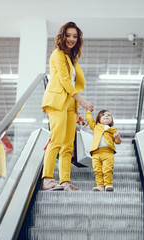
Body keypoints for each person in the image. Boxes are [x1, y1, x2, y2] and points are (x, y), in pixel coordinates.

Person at [41, 22, 94, 191]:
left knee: (68, 145)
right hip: (56, 102)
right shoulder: (57, 54)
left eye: (75, 36)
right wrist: (83, 101)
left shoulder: (72, 59)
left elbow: (73, 82)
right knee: (56, 140)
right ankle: (47, 178)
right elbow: (64, 81)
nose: (71, 39)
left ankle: (65, 181)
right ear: (62, 36)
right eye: (68, 35)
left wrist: (76, 106)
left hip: (70, 104)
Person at [86, 109, 122, 192]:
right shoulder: (96, 127)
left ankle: (108, 184)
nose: (106, 116)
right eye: (103, 115)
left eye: (109, 115)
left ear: (111, 120)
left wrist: (118, 138)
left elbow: (118, 142)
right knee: (97, 170)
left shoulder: (112, 130)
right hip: (96, 152)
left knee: (107, 169)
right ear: (99, 119)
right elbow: (89, 120)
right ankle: (100, 186)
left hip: (108, 152)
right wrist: (88, 112)